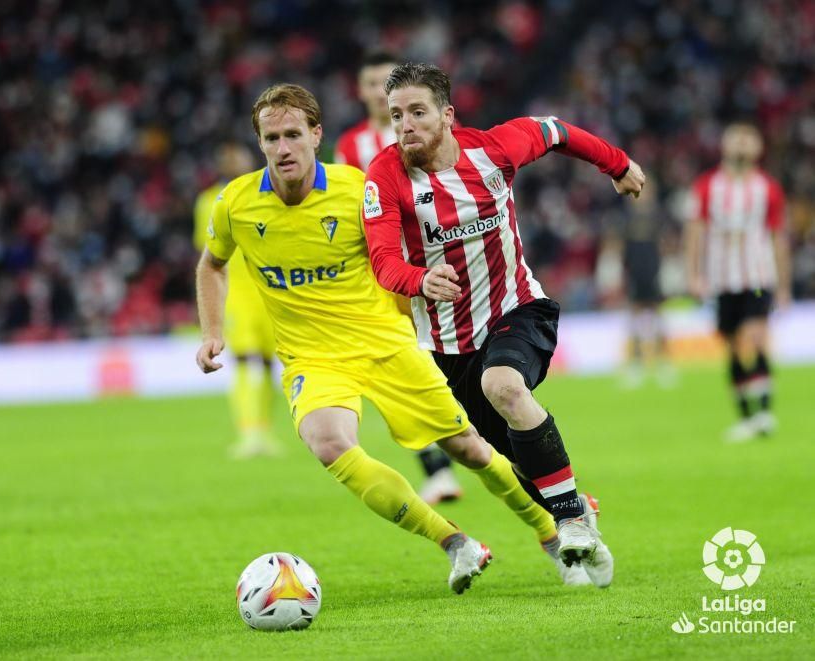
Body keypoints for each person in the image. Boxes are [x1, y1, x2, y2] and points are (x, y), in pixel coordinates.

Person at [196, 83, 588, 593]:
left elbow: (401, 257)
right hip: (313, 358)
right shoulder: (236, 204)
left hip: (387, 343)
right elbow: (213, 264)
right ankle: (453, 542)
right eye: (272, 138)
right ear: (260, 142)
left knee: (469, 449)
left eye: (294, 134)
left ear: (317, 135)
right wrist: (211, 332)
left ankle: (549, 532)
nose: (283, 147)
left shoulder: (359, 190)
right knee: (329, 443)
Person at [364, 62, 646, 587]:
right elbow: (382, 262)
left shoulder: (494, 149)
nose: (405, 125)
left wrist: (617, 164)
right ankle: (578, 511)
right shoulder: (385, 176)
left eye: (418, 113)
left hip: (518, 309)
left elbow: (558, 131)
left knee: (504, 385)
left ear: (447, 116)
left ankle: (571, 521)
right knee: (516, 459)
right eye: (397, 115)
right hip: (449, 343)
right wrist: (418, 280)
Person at [336, 50, 463, 505]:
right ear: (361, 91)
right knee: (409, 365)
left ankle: (473, 443)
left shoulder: (428, 133)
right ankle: (438, 465)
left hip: (441, 263)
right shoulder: (350, 147)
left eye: (381, 83)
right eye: (370, 84)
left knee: (446, 361)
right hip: (385, 273)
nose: (375, 91)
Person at [685, 122, 791, 442]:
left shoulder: (768, 188)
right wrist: (694, 273)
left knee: (754, 335)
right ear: (725, 145)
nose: (743, 144)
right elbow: (695, 232)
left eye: (749, 138)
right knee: (731, 344)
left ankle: (764, 414)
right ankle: (747, 416)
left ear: (759, 147)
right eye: (737, 138)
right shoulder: (706, 187)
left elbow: (778, 237)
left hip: (758, 275)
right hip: (721, 278)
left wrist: (783, 285)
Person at [194, 142, 282, 458]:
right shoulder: (208, 201)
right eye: (229, 157)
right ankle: (248, 431)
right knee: (245, 361)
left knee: (272, 364)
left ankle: (265, 429)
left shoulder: (267, 193)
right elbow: (206, 255)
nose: (235, 161)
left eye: (239, 156)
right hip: (236, 296)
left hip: (268, 291)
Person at [601, 176, 676, 389]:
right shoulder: (624, 217)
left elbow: (667, 245)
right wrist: (614, 273)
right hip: (634, 274)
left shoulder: (658, 216)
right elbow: (616, 246)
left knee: (659, 318)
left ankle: (663, 362)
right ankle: (635, 363)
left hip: (654, 273)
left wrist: (669, 271)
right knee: (633, 320)